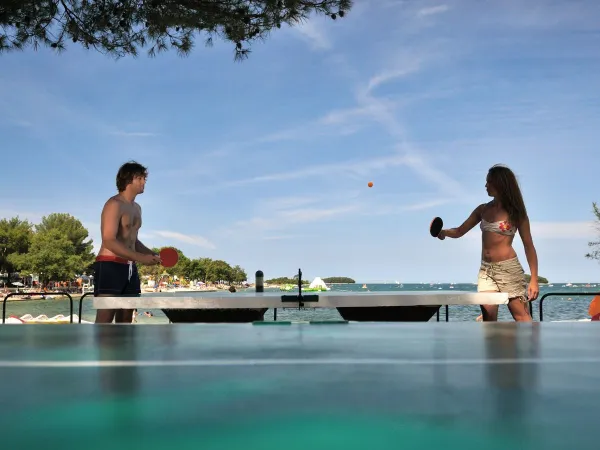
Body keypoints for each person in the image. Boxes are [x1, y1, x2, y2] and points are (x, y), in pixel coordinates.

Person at [437, 164, 539, 322]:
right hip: (486, 271)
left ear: (500, 183)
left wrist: (533, 279)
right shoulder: (482, 209)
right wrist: (443, 232)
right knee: (488, 317)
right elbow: (459, 231)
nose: (485, 185)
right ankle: (494, 347)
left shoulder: (516, 212)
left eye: (489, 182)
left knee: (521, 316)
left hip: (509, 269)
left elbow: (528, 245)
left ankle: (535, 346)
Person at [94, 161, 161, 323]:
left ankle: (123, 349)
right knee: (105, 321)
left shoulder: (137, 208)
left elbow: (134, 241)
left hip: (130, 268)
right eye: (141, 178)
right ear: (129, 179)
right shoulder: (114, 204)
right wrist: (140, 258)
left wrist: (151, 255)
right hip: (110, 265)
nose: (144, 182)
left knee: (125, 322)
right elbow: (109, 240)